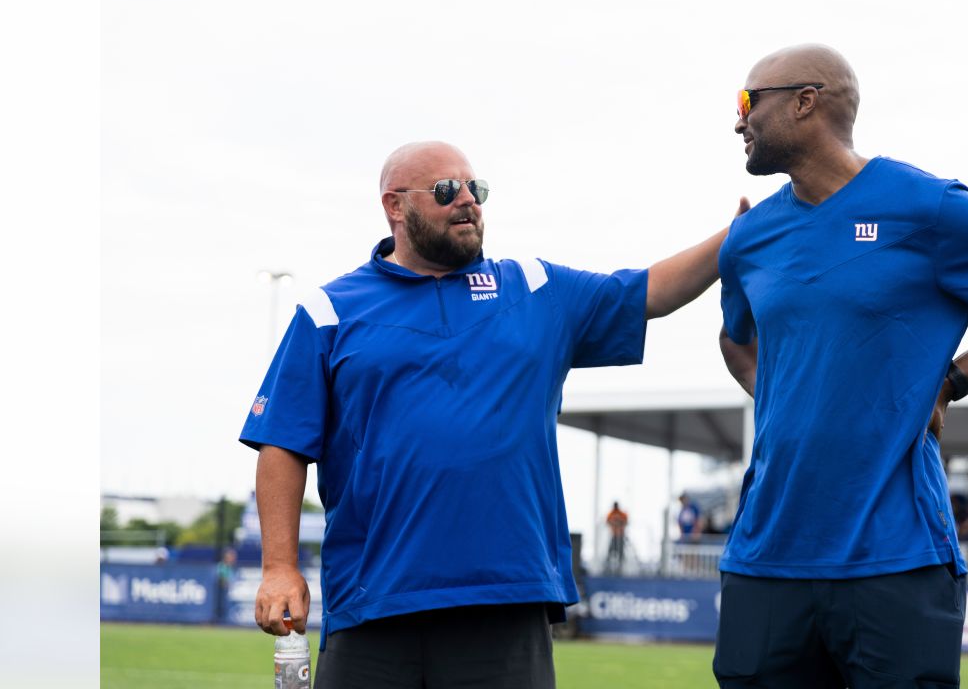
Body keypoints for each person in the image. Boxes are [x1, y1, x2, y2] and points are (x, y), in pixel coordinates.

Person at [241, 141, 740, 688]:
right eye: (446, 191)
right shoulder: (329, 311)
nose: (468, 202)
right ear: (394, 205)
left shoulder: (532, 288)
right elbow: (283, 443)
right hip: (374, 602)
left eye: (475, 190)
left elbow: (649, 291)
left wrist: (733, 239)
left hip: (507, 595)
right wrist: (279, 567)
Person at [715, 44, 968, 688]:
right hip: (765, 555)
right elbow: (736, 340)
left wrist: (953, 379)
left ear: (806, 101)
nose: (737, 121)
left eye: (748, 101)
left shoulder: (929, 206)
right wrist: (786, 403)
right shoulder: (749, 238)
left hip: (896, 557)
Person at [605, 501, 629, 572]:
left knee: (621, 552)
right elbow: (607, 521)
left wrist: (619, 523)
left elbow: (625, 522)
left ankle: (621, 567)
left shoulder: (622, 514)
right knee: (610, 551)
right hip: (614, 535)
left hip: (621, 535)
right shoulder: (611, 514)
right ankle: (608, 567)